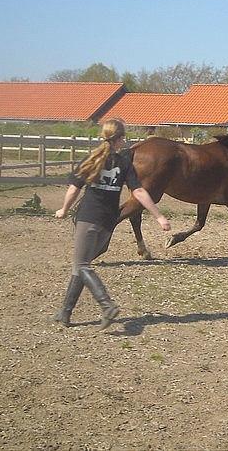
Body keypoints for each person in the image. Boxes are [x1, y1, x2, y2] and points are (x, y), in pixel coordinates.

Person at [53, 119, 170, 329]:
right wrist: (158, 216)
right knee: (81, 264)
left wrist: (64, 209)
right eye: (123, 138)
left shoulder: (92, 158)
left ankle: (107, 305)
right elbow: (139, 191)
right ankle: (65, 312)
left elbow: (73, 188)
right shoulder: (124, 163)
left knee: (81, 265)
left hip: (89, 218)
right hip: (108, 222)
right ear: (119, 140)